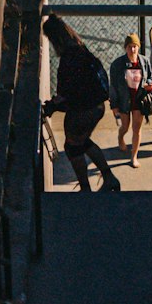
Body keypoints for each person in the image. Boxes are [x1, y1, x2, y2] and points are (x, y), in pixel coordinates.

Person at [42, 13, 121, 192]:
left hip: (84, 109)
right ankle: (109, 178)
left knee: (72, 147)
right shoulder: (81, 49)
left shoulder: (68, 59)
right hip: (97, 106)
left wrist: (53, 106)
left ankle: (85, 188)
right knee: (82, 141)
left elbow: (66, 93)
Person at [108, 32, 152, 168]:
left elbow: (150, 76)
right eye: (129, 47)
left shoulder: (144, 61)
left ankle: (134, 156)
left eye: (135, 46)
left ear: (138, 47)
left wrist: (150, 84)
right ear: (125, 48)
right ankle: (121, 137)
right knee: (125, 127)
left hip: (139, 100)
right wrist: (114, 105)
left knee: (137, 129)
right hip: (124, 100)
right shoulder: (117, 64)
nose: (132, 50)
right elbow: (113, 86)